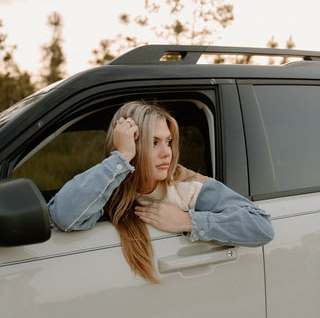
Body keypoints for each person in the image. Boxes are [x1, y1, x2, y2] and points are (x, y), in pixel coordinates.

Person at [48, 100, 274, 283]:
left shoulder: (184, 183)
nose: (167, 153)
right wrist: (121, 158)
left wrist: (188, 222)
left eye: (168, 141)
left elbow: (261, 226)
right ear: (130, 145)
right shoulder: (108, 183)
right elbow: (64, 216)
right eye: (154, 142)